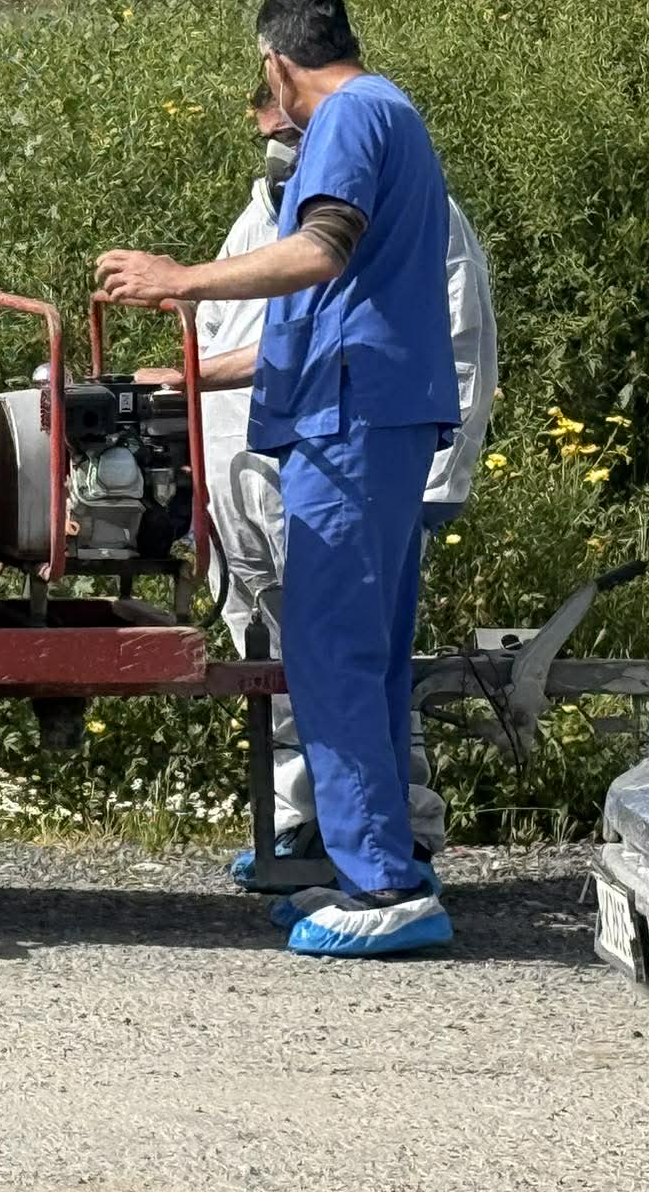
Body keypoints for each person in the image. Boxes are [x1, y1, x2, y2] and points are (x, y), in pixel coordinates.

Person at [96, 0, 462, 957]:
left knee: (330, 652)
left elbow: (316, 254)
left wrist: (178, 280)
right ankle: (377, 864)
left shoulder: (342, 117)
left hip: (349, 424)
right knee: (366, 656)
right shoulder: (392, 114)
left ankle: (382, 886)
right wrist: (189, 370)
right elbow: (327, 315)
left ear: (276, 63)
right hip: (374, 412)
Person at [154, 85, 497, 890]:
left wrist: (433, 482)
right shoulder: (263, 218)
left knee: (352, 656)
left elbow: (452, 340)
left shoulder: (408, 208)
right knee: (288, 664)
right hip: (262, 470)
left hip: (357, 456)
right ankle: (313, 831)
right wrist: (185, 380)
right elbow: (280, 341)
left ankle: (391, 850)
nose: (275, 133)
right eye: (264, 124)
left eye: (281, 115)